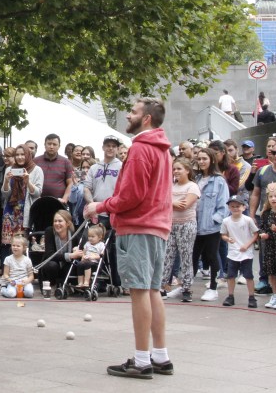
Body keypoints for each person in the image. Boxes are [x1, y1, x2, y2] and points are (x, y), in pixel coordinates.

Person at [83, 97, 173, 380]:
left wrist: (99, 206)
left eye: (133, 112)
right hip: (156, 226)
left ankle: (142, 360)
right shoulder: (161, 149)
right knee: (152, 289)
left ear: (146, 118)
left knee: (139, 290)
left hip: (139, 227)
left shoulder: (141, 149)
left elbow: (131, 196)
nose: (128, 115)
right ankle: (160, 356)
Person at [84, 135, 124, 291]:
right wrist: (92, 204)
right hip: (98, 214)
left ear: (117, 148)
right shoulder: (94, 167)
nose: (110, 148)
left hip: (114, 212)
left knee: (114, 249)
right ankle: (98, 280)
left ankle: (117, 281)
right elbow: (87, 188)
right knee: (95, 247)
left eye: (114, 146)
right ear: (103, 147)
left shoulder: (122, 166)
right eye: (108, 145)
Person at [191, 147, 228, 302]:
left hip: (211, 226)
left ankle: (213, 287)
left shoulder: (219, 180)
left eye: (204, 159)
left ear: (212, 160)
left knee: (212, 255)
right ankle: (186, 285)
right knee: (193, 256)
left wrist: (215, 220)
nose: (201, 162)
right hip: (195, 224)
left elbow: (223, 205)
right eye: (199, 159)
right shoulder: (197, 179)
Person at [162, 158, 200, 302]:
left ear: (187, 170)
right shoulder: (171, 187)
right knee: (167, 255)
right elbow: (162, 202)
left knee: (186, 256)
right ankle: (162, 285)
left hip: (187, 225)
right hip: (170, 224)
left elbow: (184, 205)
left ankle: (186, 287)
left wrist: (169, 203)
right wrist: (172, 203)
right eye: (174, 169)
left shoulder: (192, 186)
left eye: (179, 169)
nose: (176, 171)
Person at [1, 144, 42, 268]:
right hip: (10, 211)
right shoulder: (9, 169)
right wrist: (6, 181)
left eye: (22, 154)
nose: (19, 157)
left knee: (22, 242)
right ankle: (6, 270)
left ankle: (22, 269)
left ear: (28, 155)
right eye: (17, 155)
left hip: (26, 211)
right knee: (8, 243)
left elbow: (37, 193)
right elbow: (5, 194)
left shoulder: (36, 170)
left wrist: (28, 181)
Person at [220, 196, 258, 308]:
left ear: (243, 207)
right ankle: (230, 296)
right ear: (229, 208)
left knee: (248, 276)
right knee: (231, 275)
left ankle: (251, 297)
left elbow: (256, 233)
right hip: (233, 252)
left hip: (246, 253)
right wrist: (228, 239)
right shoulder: (226, 221)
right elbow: (223, 234)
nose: (235, 208)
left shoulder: (248, 220)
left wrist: (247, 245)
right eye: (232, 206)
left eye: (238, 206)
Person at [37, 209, 82, 294]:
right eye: (55, 221)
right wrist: (70, 255)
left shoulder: (74, 234)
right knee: (51, 265)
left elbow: (79, 253)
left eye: (60, 221)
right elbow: (50, 254)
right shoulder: (50, 231)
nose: (57, 223)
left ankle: (67, 285)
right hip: (53, 266)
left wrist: (77, 250)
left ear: (67, 223)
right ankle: (52, 284)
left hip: (66, 266)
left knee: (74, 265)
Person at [35, 134, 73, 204]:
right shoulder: (35, 161)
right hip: (38, 202)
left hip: (59, 203)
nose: (51, 147)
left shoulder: (66, 162)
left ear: (59, 146)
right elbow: (31, 181)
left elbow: (70, 183)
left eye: (54, 144)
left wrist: (64, 199)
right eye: (49, 144)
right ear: (44, 145)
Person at [76, 224, 106, 288]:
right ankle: (80, 282)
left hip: (94, 263)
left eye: (93, 236)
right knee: (79, 264)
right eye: (89, 236)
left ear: (99, 237)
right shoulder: (87, 244)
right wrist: (83, 257)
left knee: (87, 264)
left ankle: (86, 281)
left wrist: (93, 257)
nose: (90, 238)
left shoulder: (101, 245)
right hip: (85, 261)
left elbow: (101, 256)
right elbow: (83, 252)